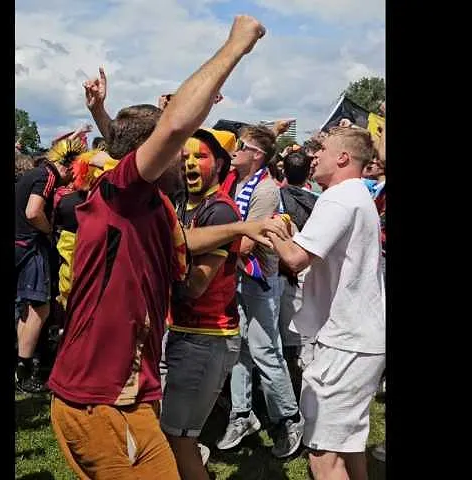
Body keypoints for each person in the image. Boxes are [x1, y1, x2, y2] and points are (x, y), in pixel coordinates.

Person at [47, 15, 269, 479]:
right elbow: (167, 130)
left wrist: (242, 227)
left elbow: (186, 241)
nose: (185, 156)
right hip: (99, 400)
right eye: (181, 149)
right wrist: (236, 46)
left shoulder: (152, 210)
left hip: (133, 396)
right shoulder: (121, 195)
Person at [264, 126, 385, 480]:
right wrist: (290, 235)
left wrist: (269, 230)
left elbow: (297, 259)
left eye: (323, 149)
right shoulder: (356, 196)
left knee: (322, 456)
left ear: (343, 158)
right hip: (360, 336)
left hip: (346, 341)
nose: (313, 155)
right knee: (347, 447)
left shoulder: (338, 197)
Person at [217, 125, 303, 458]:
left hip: (258, 280)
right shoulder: (234, 182)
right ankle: (242, 413)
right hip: (235, 277)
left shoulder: (265, 189)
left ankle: (288, 418)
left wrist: (208, 237)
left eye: (242, 145)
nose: (234, 149)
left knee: (266, 350)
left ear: (257, 156)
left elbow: (247, 242)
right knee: (237, 348)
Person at [163, 129, 242, 480]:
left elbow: (195, 286)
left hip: (207, 337)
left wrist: (157, 259)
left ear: (220, 164)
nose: (190, 162)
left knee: (179, 439)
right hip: (179, 331)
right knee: (172, 434)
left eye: (201, 156)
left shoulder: (221, 212)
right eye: (186, 157)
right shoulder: (184, 202)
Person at [14, 141, 76, 394]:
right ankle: (24, 370)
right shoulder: (47, 175)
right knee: (39, 307)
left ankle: (23, 364)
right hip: (30, 245)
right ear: (68, 167)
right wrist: (50, 230)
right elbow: (33, 211)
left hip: (20, 243)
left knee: (27, 308)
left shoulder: (33, 173)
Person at [275, 152, 319, 396]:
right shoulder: (319, 203)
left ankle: (297, 383)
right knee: (303, 331)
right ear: (308, 175)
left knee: (288, 330)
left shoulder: (278, 198)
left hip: (288, 268)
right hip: (306, 270)